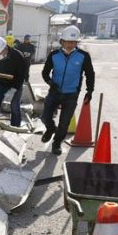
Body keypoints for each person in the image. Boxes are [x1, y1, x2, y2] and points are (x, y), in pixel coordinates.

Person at [41, 25, 95, 155]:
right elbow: (45, 72)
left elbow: (90, 73)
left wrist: (89, 90)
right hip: (54, 92)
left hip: (71, 94)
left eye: (73, 42)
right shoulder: (54, 55)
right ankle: (50, 129)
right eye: (68, 42)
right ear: (62, 41)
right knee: (45, 117)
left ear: (77, 42)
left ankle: (56, 143)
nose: (71, 44)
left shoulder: (83, 56)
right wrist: (50, 82)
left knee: (64, 123)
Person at [0, 36, 28, 133]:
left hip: (15, 84)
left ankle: (14, 131)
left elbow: (21, 75)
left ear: (5, 48)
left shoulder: (17, 56)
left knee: (15, 107)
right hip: (0, 83)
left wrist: (14, 89)